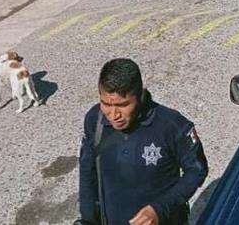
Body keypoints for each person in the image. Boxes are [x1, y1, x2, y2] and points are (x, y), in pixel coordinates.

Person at [78, 59, 208, 225]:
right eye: (106, 104)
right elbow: (87, 171)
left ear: (140, 95)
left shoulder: (171, 126)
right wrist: (87, 219)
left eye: (123, 105)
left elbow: (197, 171)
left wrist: (160, 209)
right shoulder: (94, 121)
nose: (114, 115)